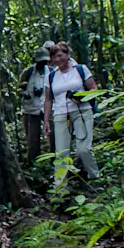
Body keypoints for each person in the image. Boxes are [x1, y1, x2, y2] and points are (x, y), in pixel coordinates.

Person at [42, 42, 99, 188]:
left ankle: (94, 177)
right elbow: (48, 99)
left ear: (67, 55)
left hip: (82, 111)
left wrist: (81, 96)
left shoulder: (80, 69)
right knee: (61, 152)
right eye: (54, 56)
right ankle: (59, 187)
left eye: (60, 55)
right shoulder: (51, 76)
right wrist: (46, 120)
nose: (57, 59)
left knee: (83, 149)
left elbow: (94, 88)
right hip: (61, 114)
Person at [19, 47, 55, 164]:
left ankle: (54, 159)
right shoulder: (27, 72)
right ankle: (33, 162)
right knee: (32, 138)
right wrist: (25, 93)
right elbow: (19, 89)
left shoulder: (52, 71)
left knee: (53, 135)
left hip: (48, 108)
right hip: (31, 109)